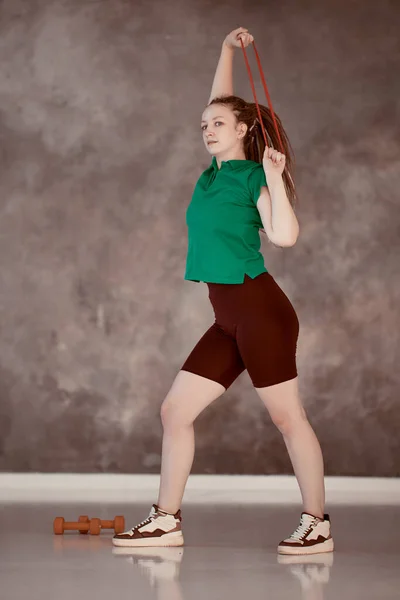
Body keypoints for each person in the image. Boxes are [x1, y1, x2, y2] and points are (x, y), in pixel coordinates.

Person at [113, 27, 334, 556]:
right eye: (204, 125)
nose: (208, 129)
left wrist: (275, 178)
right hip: (228, 318)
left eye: (219, 124)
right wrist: (225, 51)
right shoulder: (212, 175)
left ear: (242, 130)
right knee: (175, 412)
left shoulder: (253, 176)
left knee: (287, 417)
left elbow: (284, 236)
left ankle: (317, 522)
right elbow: (218, 99)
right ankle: (166, 520)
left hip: (261, 311)